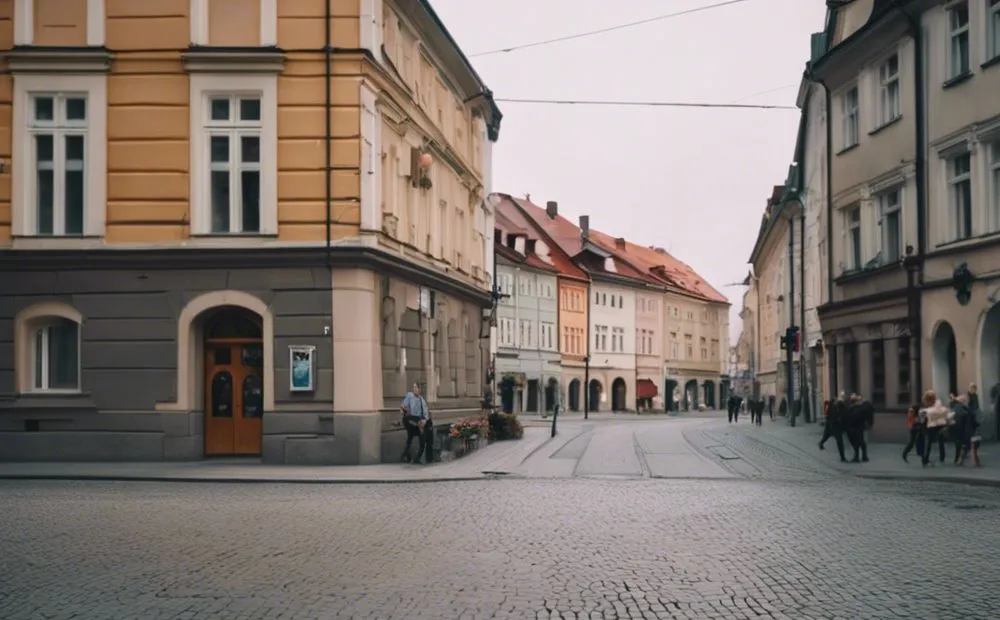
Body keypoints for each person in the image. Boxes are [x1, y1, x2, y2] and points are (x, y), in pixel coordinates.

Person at [400, 382, 429, 464]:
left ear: (419, 389)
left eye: (416, 387)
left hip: (418, 421)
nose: (414, 389)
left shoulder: (421, 399)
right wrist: (404, 408)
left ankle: (415, 458)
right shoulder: (409, 396)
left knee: (419, 438)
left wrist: (425, 420)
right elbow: (403, 405)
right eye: (413, 387)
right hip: (411, 420)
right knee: (408, 420)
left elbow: (426, 413)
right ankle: (406, 454)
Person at [920, 389, 949, 467]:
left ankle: (925, 459)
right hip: (938, 425)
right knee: (940, 441)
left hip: (931, 426)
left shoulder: (928, 408)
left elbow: (923, 419)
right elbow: (944, 412)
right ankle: (941, 457)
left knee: (928, 442)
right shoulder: (938, 405)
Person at [844, 393, 873, 463]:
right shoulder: (859, 407)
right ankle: (863, 456)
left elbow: (852, 417)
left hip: (855, 427)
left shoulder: (856, 408)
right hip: (858, 426)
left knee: (857, 442)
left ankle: (858, 457)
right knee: (861, 442)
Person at [819, 397, 848, 462]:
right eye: (836, 401)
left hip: (833, 427)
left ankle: (842, 457)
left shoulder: (839, 408)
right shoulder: (832, 408)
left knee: (835, 440)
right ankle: (821, 443)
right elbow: (831, 417)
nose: (836, 402)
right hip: (832, 426)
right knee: (828, 437)